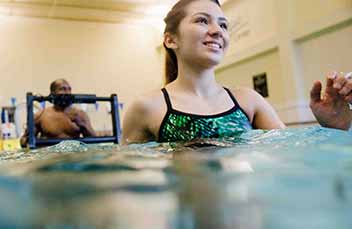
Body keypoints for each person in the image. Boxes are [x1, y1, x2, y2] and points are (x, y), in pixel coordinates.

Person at [122, 0, 352, 145]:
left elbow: (290, 157)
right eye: (202, 21)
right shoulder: (147, 107)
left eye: (223, 25)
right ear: (170, 40)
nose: (216, 31)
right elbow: (129, 182)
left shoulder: (248, 100)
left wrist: (334, 128)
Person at [20, 79, 96, 147]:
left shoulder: (80, 114)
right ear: (53, 93)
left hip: (74, 158)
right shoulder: (41, 115)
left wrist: (84, 125)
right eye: (62, 89)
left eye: (69, 89)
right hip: (51, 158)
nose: (67, 93)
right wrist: (28, 139)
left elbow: (95, 143)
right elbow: (23, 142)